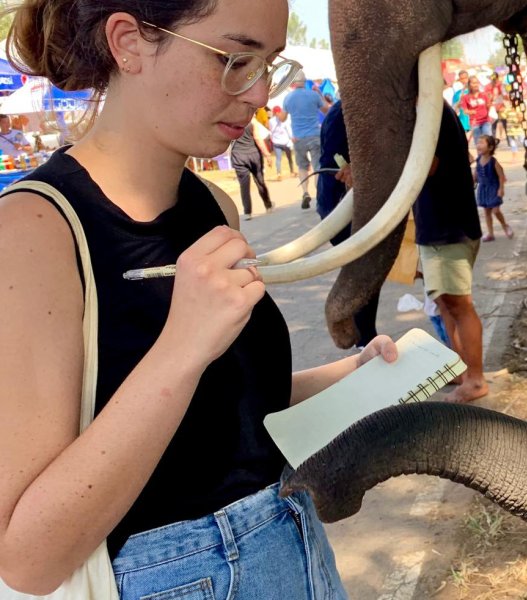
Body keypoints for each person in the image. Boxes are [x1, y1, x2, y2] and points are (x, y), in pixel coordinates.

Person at [0, 1, 399, 597]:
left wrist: (356, 373)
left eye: (271, 65)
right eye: (235, 59)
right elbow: (29, 556)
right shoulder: (32, 232)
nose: (259, 93)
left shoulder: (214, 207)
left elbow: (217, 408)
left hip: (295, 547)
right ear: (128, 42)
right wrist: (183, 344)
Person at [414, 103, 488, 404]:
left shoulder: (432, 111)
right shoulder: (424, 109)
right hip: (435, 225)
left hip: (449, 226)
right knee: (444, 302)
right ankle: (460, 369)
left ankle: (475, 379)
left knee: (458, 304)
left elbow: (427, 165)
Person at [315, 100, 383, 349]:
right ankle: (365, 340)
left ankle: (366, 337)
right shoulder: (346, 111)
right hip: (342, 209)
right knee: (363, 272)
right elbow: (339, 163)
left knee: (367, 271)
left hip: (348, 207)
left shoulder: (352, 108)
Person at [282, 76, 329, 209]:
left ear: (293, 83)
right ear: (304, 82)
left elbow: (283, 117)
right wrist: (319, 93)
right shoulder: (313, 95)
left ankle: (305, 192)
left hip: (298, 138)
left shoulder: (288, 98)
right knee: (317, 167)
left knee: (302, 167)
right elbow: (326, 110)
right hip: (314, 135)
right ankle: (319, 195)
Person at [230, 116, 273, 218]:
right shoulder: (252, 121)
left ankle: (247, 212)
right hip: (253, 155)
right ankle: (268, 205)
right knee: (260, 181)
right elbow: (257, 138)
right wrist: (267, 154)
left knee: (244, 185)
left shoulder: (230, 121)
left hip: (238, 156)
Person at [473, 135, 512, 242]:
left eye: (481, 143)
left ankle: (505, 225)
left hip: (493, 189)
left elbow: (501, 176)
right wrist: (473, 179)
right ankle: (490, 233)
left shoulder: (493, 162)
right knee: (486, 212)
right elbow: (476, 171)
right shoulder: (479, 159)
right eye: (478, 143)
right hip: (483, 189)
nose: (478, 145)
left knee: (495, 210)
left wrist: (501, 189)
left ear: (490, 148)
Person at [458, 76, 492, 141]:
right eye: (473, 83)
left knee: (489, 140)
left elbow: (488, 106)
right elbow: (465, 111)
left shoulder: (484, 95)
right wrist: (471, 112)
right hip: (475, 123)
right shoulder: (465, 97)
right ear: (469, 85)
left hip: (486, 121)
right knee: (479, 141)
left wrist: (489, 104)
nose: (476, 85)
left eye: (477, 83)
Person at [268, 106, 295, 180]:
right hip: (281, 142)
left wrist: (291, 138)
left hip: (281, 142)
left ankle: (283, 172)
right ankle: (286, 172)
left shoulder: (273, 120)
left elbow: (271, 131)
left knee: (282, 158)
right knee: (284, 158)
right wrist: (291, 138)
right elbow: (288, 130)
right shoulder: (280, 120)